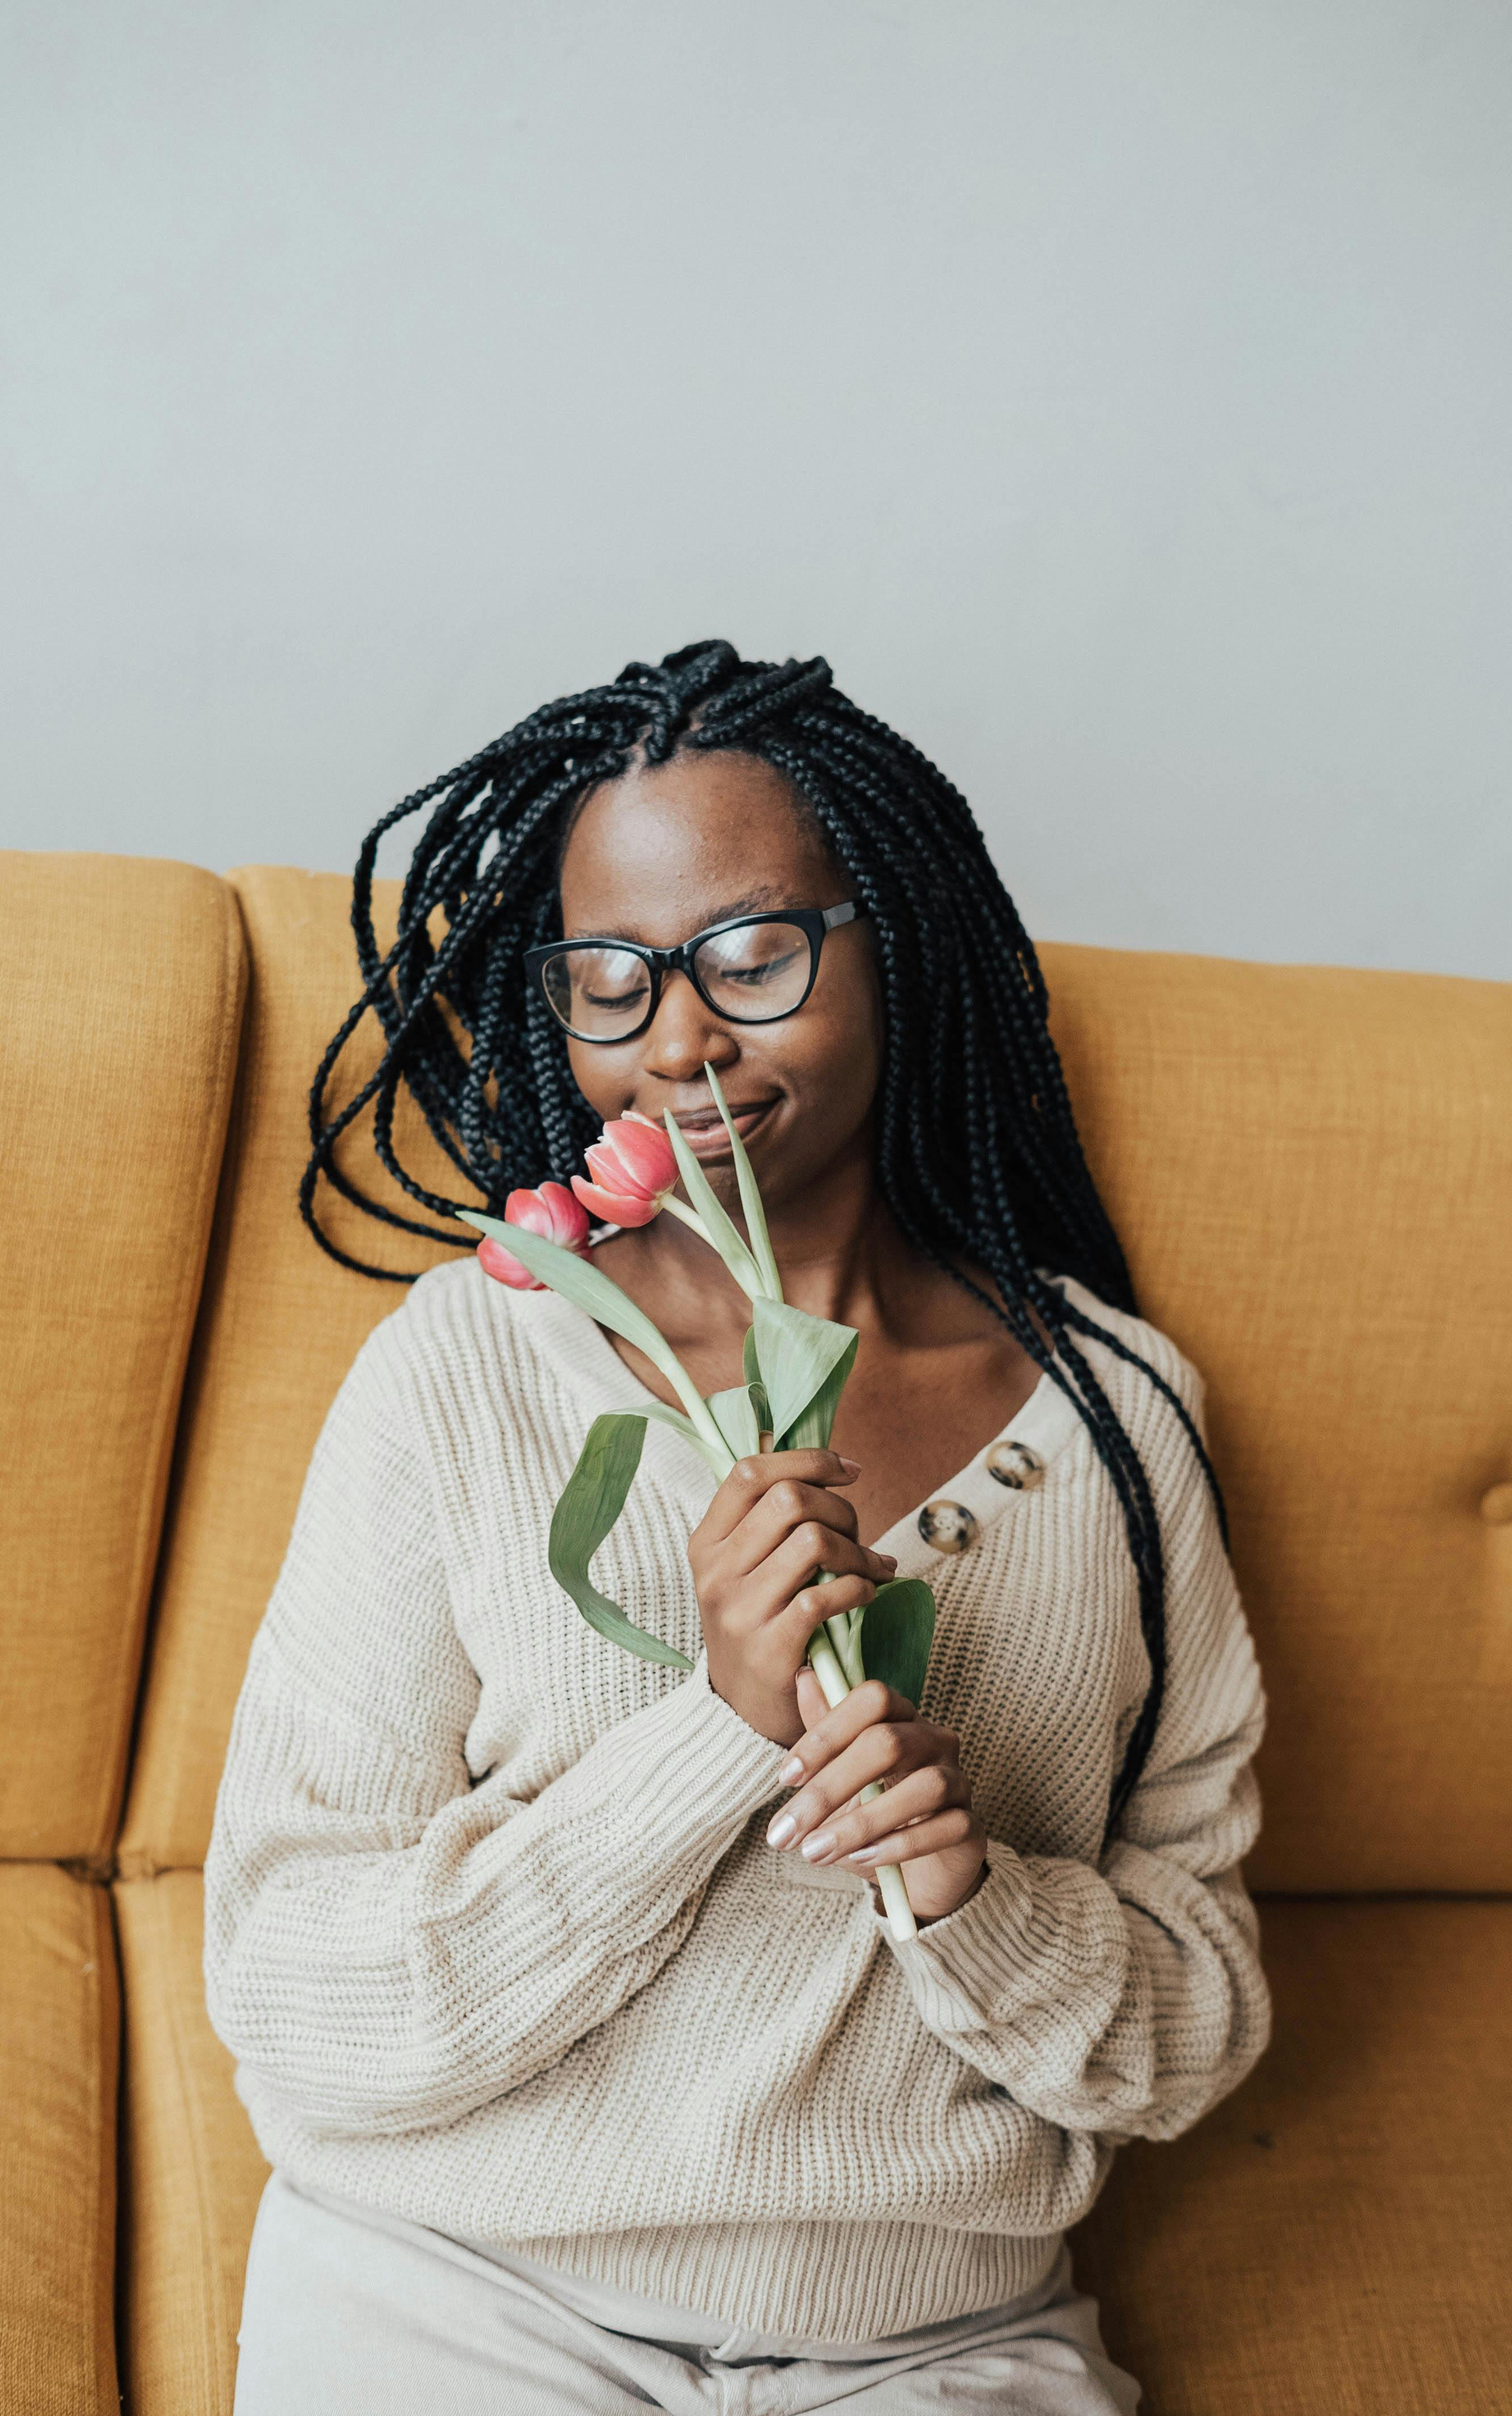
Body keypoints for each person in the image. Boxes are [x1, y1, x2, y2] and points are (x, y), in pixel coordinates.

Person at [205, 640, 1270, 2413]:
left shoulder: (1122, 1421)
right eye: (610, 981)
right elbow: (297, 1991)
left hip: (936, 2348)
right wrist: (714, 1737)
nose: (681, 1038)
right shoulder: (469, 1367)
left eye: (754, 956)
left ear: (896, 942)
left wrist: (976, 1901)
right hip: (465, 2306)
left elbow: (1199, 2016)